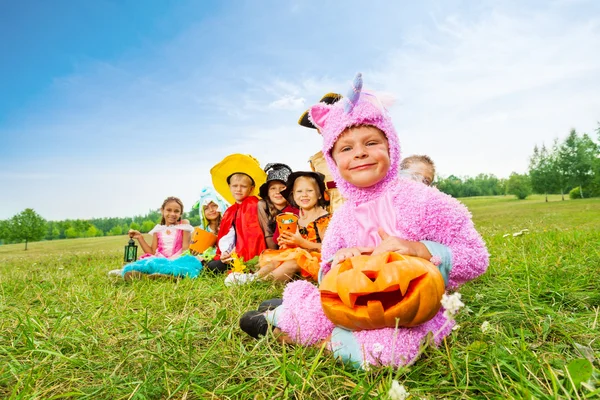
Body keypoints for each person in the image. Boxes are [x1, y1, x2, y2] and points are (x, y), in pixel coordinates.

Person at [239, 74, 489, 369]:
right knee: (323, 308)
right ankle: (281, 316)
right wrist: (337, 262)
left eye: (371, 142)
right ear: (333, 161)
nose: (359, 152)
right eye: (345, 148)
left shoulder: (424, 201)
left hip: (415, 306)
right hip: (354, 298)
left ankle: (311, 337)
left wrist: (421, 249)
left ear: (391, 147)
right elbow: (326, 271)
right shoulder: (344, 216)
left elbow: (476, 258)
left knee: (391, 348)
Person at [256, 171, 331, 282]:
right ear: (294, 196)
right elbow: (296, 246)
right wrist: (288, 243)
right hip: (301, 256)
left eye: (309, 191)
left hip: (319, 261)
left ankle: (263, 282)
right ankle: (253, 278)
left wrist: (301, 242)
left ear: (319, 194)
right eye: (299, 191)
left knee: (294, 261)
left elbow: (328, 248)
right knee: (279, 258)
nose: (304, 195)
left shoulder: (323, 219)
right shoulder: (297, 218)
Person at [110, 196, 201, 280]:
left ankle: (165, 275)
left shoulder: (184, 225)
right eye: (169, 210)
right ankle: (137, 273)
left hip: (177, 258)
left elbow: (185, 249)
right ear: (162, 210)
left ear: (181, 213)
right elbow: (152, 252)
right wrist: (140, 237)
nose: (172, 214)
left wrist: (176, 259)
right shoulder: (158, 229)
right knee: (149, 262)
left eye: (176, 211)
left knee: (182, 265)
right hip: (160, 258)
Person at [205, 154, 267, 274]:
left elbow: (253, 235)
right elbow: (227, 235)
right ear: (229, 187)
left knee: (215, 268)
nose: (238, 189)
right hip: (232, 254)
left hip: (249, 254)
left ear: (251, 188)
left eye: (243, 186)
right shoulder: (230, 210)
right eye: (235, 186)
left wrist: (237, 252)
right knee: (210, 266)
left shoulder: (253, 204)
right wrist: (225, 252)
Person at [298, 93, 345, 213]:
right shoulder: (317, 160)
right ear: (318, 130)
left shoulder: (361, 148)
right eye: (321, 124)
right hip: (332, 213)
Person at [256, 163, 297, 250]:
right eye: (273, 188)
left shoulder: (296, 209)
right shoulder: (263, 206)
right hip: (272, 250)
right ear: (267, 192)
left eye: (282, 187)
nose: (278, 191)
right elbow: (268, 233)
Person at [189, 186, 229, 262]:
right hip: (205, 258)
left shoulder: (228, 226)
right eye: (206, 208)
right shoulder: (201, 230)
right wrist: (195, 251)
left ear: (220, 205)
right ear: (202, 213)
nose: (211, 210)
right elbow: (195, 248)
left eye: (214, 205)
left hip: (223, 257)